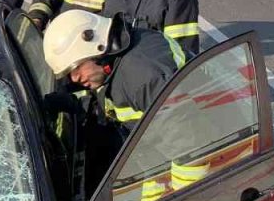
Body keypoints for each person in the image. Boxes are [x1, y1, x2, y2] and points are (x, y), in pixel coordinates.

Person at [43, 9, 186, 130]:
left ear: (96, 49)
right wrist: (71, 103)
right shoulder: (113, 65)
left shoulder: (143, 77)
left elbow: (188, 143)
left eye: (76, 69)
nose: (75, 79)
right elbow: (112, 100)